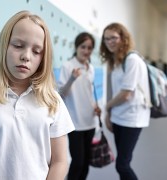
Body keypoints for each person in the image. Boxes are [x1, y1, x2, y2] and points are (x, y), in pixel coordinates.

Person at [0, 10, 75, 180]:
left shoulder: (52, 101)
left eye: (36, 51)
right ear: (4, 46)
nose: (26, 56)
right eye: (18, 46)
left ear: (43, 58)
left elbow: (60, 161)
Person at [99, 22, 151, 180]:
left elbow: (126, 94)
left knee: (122, 164)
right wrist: (109, 115)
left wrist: (106, 107)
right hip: (119, 117)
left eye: (114, 37)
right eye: (106, 39)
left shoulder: (132, 60)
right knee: (123, 162)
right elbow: (114, 91)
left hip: (132, 118)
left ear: (123, 38)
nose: (110, 42)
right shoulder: (115, 62)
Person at [58, 32, 101, 180]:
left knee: (86, 163)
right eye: (83, 47)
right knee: (78, 162)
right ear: (76, 47)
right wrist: (71, 78)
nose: (86, 51)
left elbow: (89, 93)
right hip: (75, 122)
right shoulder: (68, 66)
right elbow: (61, 94)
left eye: (89, 48)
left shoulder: (91, 68)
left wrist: (96, 106)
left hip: (90, 121)